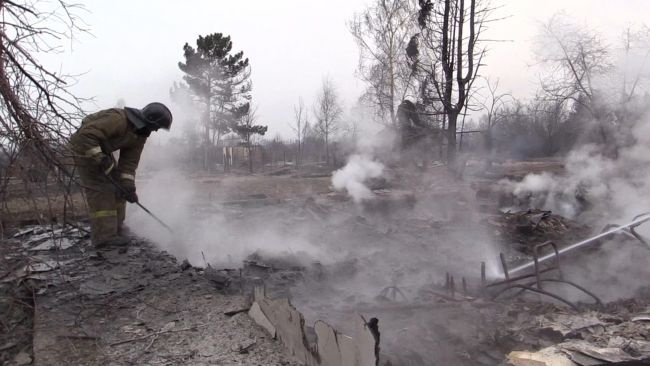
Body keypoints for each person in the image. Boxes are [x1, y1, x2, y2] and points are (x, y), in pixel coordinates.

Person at [68, 103, 172, 248]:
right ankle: (104, 237)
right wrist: (101, 159)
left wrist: (128, 187)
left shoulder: (140, 134)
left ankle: (117, 228)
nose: (155, 130)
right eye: (157, 126)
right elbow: (85, 136)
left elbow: (129, 163)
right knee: (102, 189)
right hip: (85, 149)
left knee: (119, 190)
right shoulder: (119, 120)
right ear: (150, 120)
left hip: (102, 152)